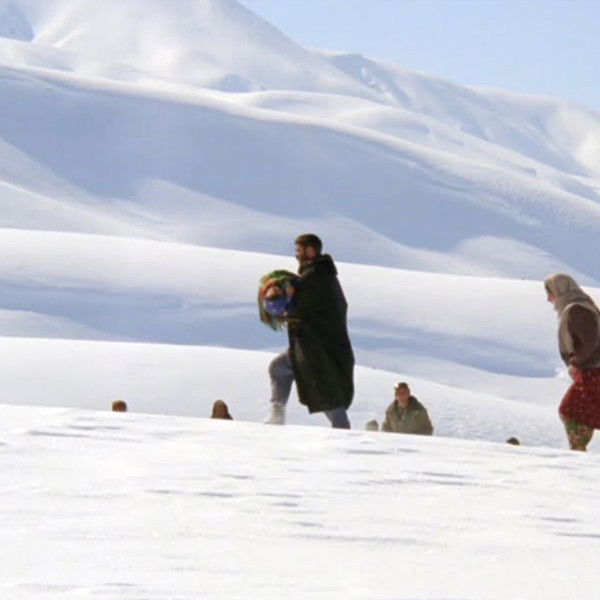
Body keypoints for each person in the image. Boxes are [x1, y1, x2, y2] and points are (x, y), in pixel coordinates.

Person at [263, 234, 355, 429]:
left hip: (319, 348)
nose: (297, 255)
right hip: (312, 345)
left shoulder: (317, 277)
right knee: (280, 368)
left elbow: (302, 307)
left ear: (311, 251)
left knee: (326, 390)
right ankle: (277, 415)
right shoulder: (319, 275)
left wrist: (281, 300)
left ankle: (342, 430)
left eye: (299, 251)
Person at [545, 274, 600, 451]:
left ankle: (578, 452)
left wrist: (576, 362)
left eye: (551, 293)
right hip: (591, 371)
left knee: (571, 411)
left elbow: (590, 341)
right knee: (579, 411)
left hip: (593, 371)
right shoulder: (579, 306)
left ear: (561, 290)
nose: (549, 299)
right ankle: (578, 451)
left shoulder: (577, 309)